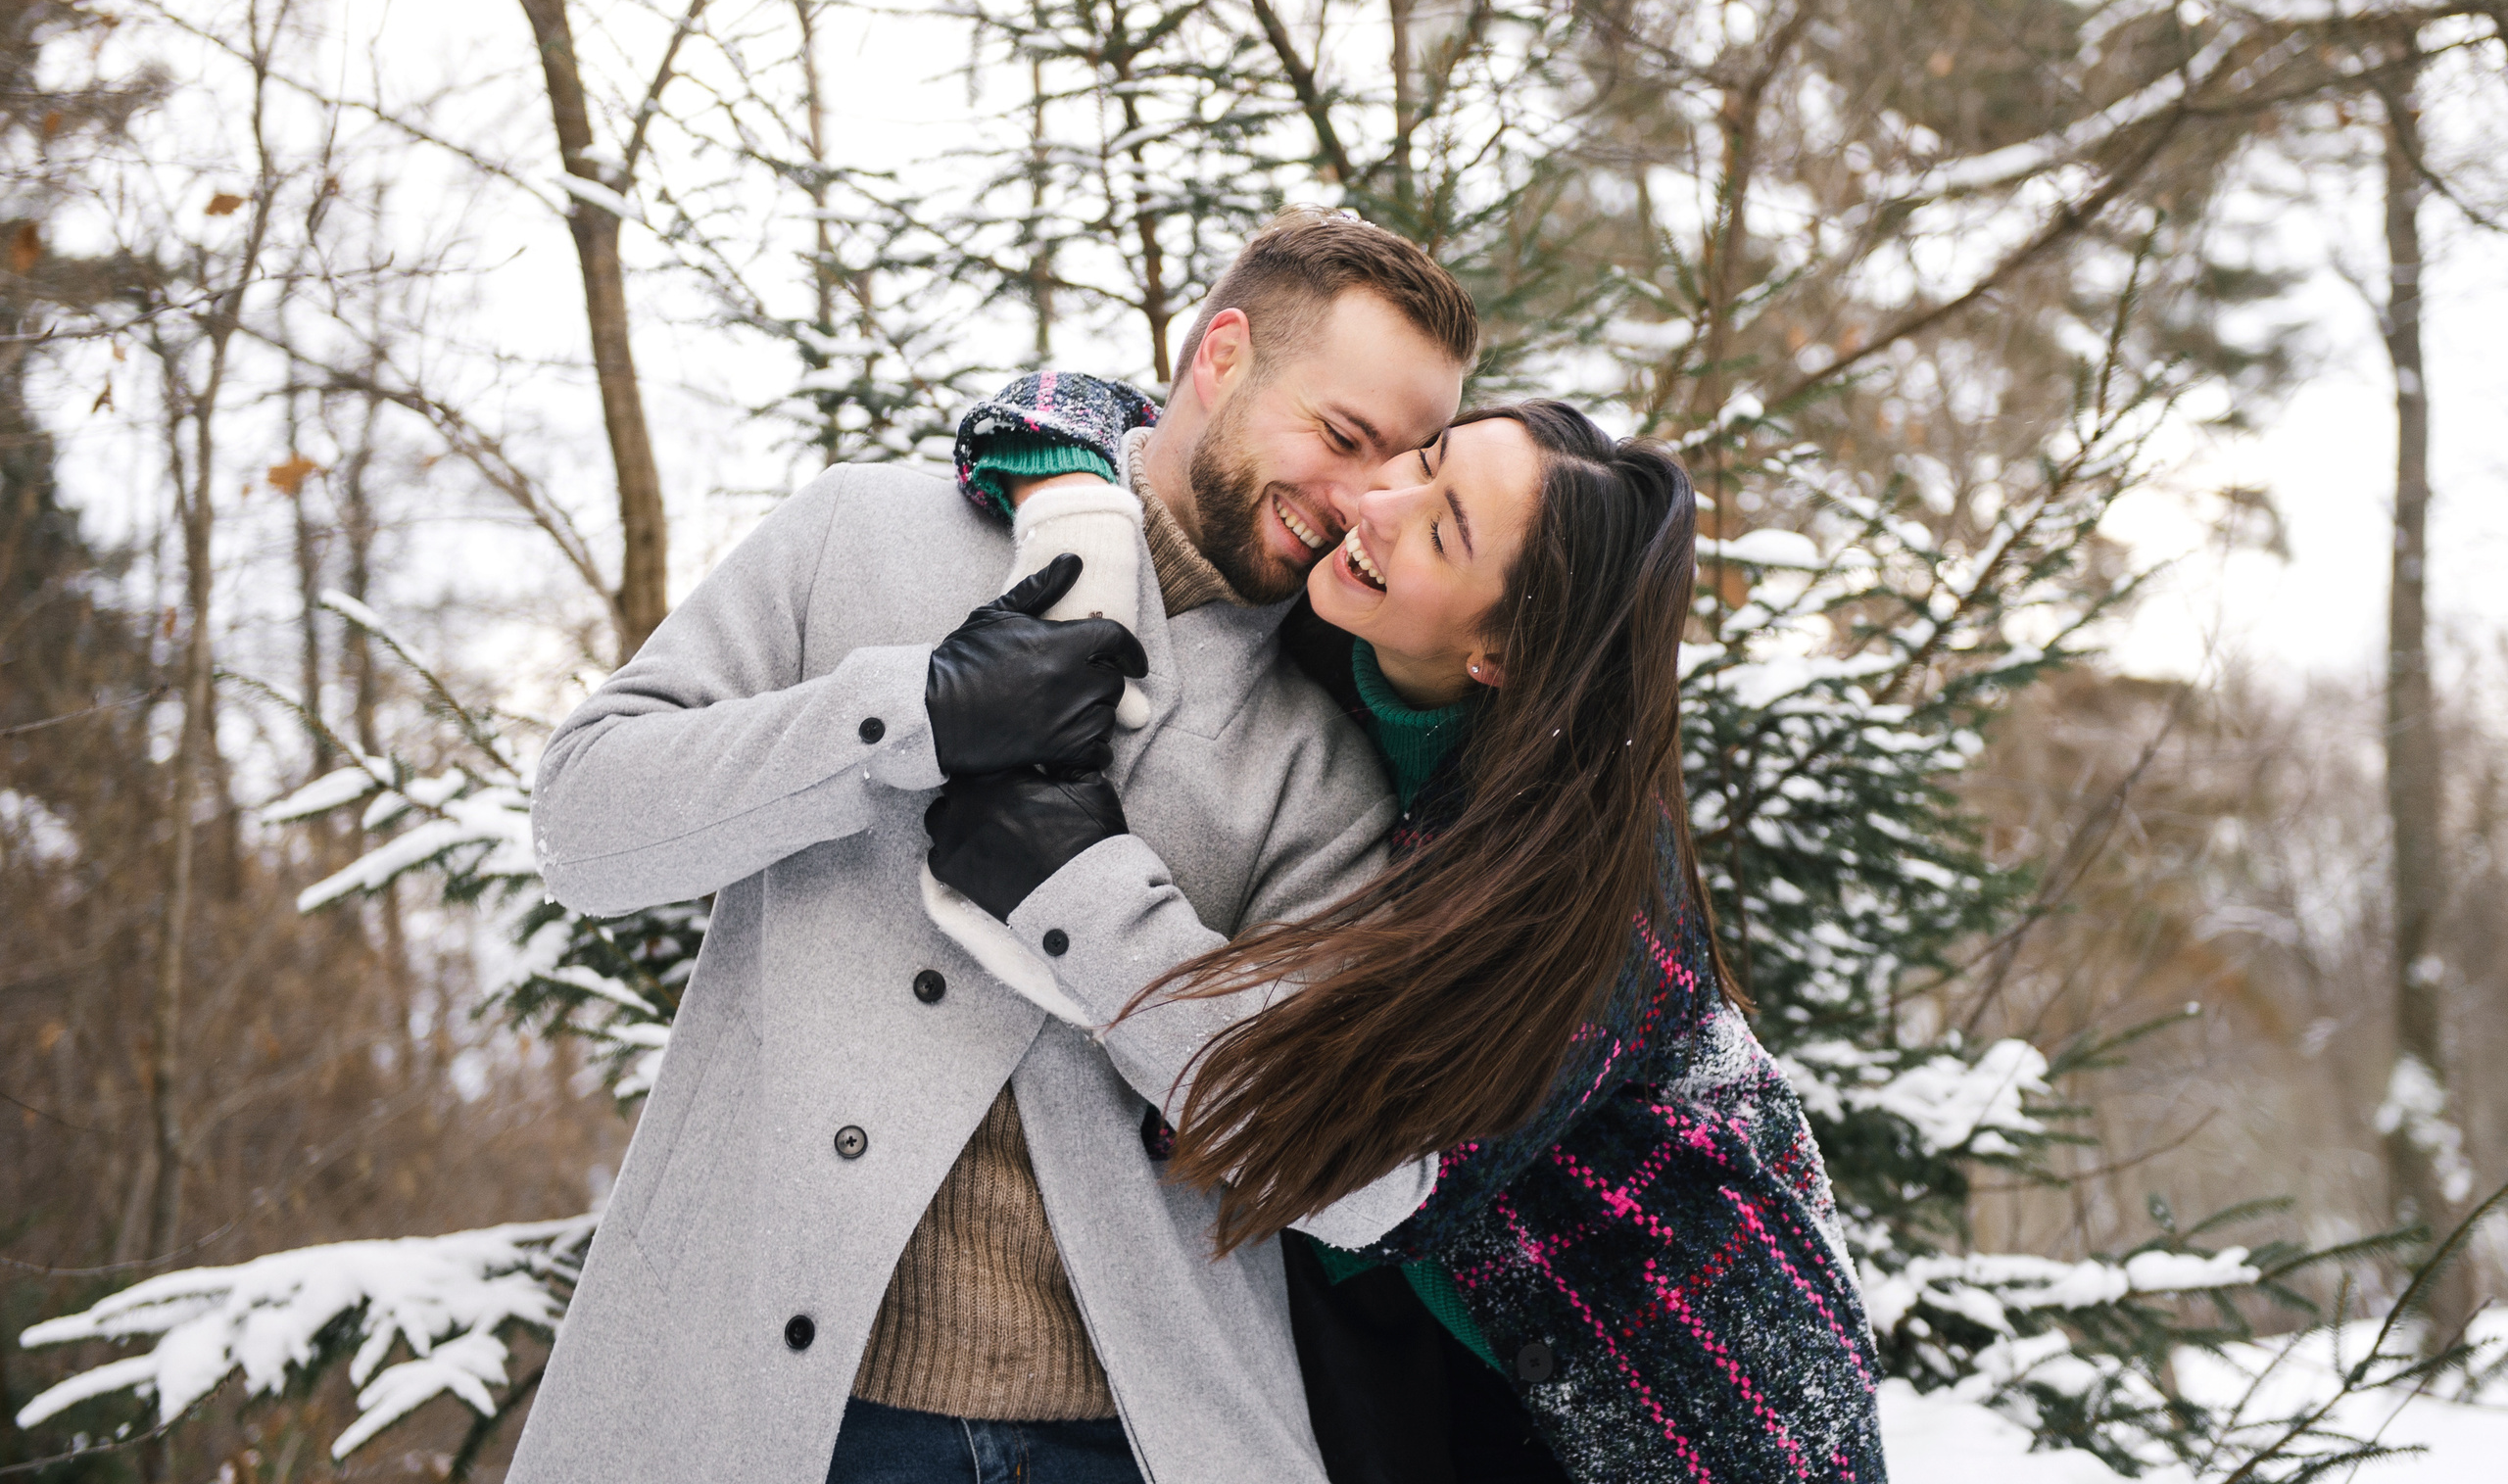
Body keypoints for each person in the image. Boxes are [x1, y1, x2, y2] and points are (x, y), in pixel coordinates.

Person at [511, 208, 1477, 1484]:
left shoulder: (1323, 760)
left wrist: (1087, 898)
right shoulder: (859, 532)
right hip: (758, 1417)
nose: (1362, 499)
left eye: (1403, 462)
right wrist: (902, 716)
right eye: (1343, 435)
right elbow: (584, 828)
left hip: (1137, 1445)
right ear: (1223, 354)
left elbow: (1358, 1176)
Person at [944, 383, 1886, 1483]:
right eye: (1426, 459)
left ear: (1499, 651)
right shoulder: (1342, 610)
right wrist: (1077, 510)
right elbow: (1107, 410)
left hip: (1668, 1420)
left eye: (1442, 527)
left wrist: (1069, 879)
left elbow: (1344, 1157)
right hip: (1418, 1355)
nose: (1381, 502)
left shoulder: (1590, 893)